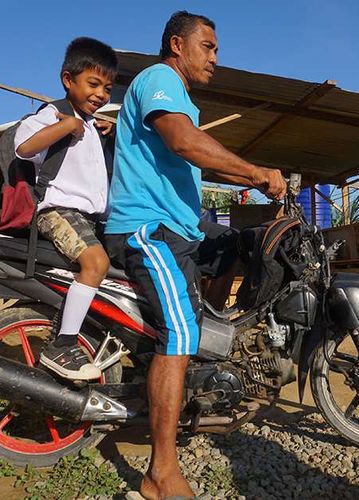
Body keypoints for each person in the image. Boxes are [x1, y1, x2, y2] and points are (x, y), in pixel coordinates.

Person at [104, 11, 286, 499]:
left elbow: (203, 162)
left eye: (216, 48)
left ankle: (201, 359)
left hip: (180, 229)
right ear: (176, 45)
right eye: (207, 46)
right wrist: (254, 170)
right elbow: (185, 144)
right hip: (147, 229)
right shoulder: (159, 79)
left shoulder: (181, 100)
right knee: (179, 330)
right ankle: (160, 473)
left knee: (235, 250)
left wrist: (257, 179)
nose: (215, 57)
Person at [14, 37, 117, 380]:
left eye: (107, 87)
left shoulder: (92, 126)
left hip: (87, 217)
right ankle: (62, 344)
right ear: (67, 80)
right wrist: (65, 125)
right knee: (96, 262)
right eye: (93, 83)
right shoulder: (54, 113)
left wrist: (103, 131)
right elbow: (24, 147)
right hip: (56, 211)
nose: (101, 94)